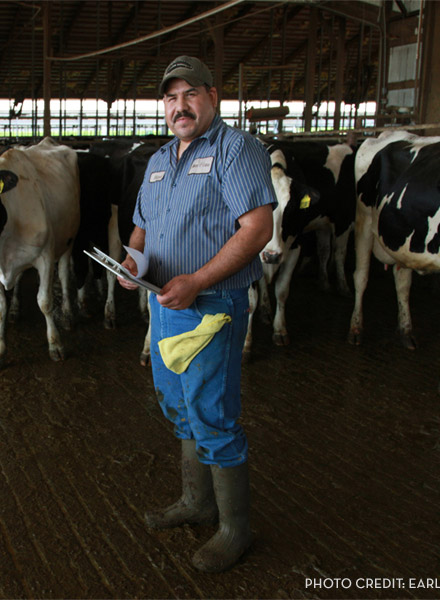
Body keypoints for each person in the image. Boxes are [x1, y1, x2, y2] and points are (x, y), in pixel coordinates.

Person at [117, 55, 276, 573]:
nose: (179, 106)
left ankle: (235, 529)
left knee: (212, 411)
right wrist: (131, 262)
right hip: (163, 304)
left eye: (190, 94)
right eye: (170, 97)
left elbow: (256, 230)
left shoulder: (238, 150)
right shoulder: (161, 158)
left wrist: (199, 281)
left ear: (213, 97)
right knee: (177, 402)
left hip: (212, 307)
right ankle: (196, 502)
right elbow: (141, 227)